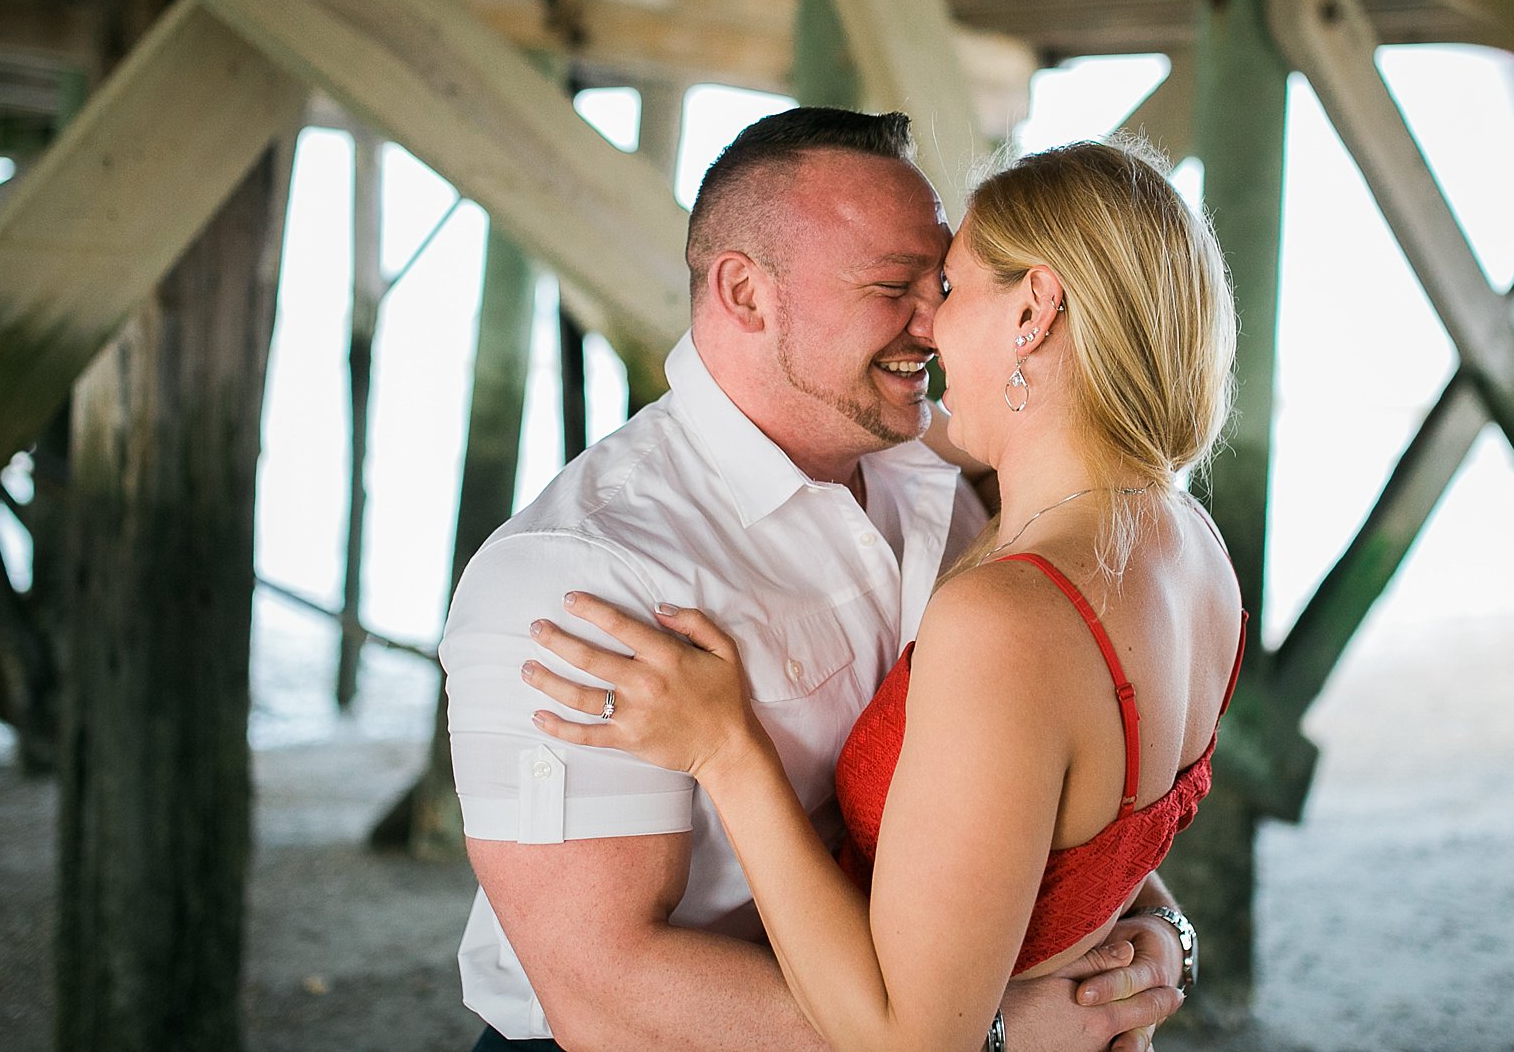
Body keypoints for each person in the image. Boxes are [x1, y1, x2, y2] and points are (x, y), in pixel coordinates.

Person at [440, 110, 1187, 1050]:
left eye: (946, 281)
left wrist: (1153, 923)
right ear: (746, 293)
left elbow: (1020, 779)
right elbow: (604, 988)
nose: (937, 323)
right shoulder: (579, 573)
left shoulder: (937, 484)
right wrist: (991, 1036)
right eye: (895, 288)